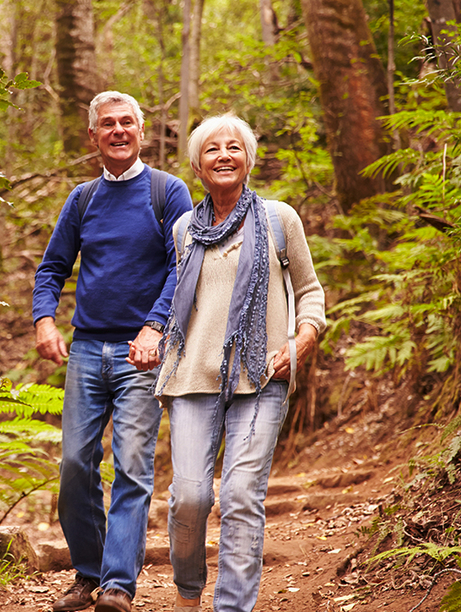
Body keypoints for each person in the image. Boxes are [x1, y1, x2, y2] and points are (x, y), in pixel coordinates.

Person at [155, 113, 326, 612]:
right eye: (212, 149)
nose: (224, 155)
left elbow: (310, 291)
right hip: (191, 377)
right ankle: (188, 594)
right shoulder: (186, 227)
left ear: (249, 159)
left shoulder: (278, 219)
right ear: (197, 166)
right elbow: (179, 301)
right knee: (189, 497)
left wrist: (303, 339)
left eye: (234, 147)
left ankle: (232, 606)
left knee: (242, 496)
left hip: (261, 376)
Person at [32, 91, 193, 612]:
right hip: (84, 350)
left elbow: (183, 267)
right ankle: (88, 572)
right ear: (94, 135)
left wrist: (155, 328)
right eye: (108, 124)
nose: (119, 131)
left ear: (142, 131)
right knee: (76, 464)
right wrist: (43, 321)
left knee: (131, 466)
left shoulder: (167, 193)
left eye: (128, 122)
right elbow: (52, 268)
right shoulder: (81, 199)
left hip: (141, 354)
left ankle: (118, 585)